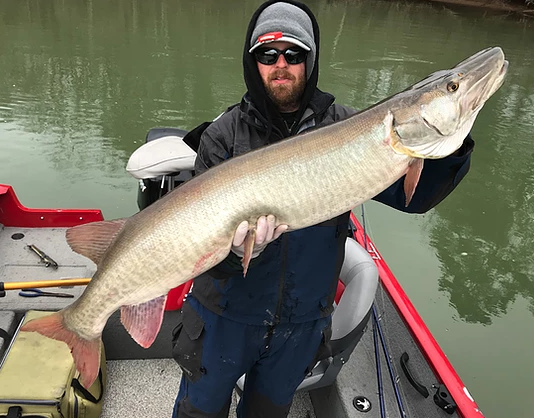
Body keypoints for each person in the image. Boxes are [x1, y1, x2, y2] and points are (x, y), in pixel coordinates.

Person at [171, 1, 474, 417]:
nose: (281, 64)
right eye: (267, 54)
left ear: (310, 60)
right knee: (197, 412)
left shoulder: (352, 128)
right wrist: (237, 252)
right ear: (252, 61)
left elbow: (414, 198)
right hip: (225, 316)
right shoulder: (223, 135)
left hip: (301, 323)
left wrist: (453, 138)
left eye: (294, 54)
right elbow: (198, 246)